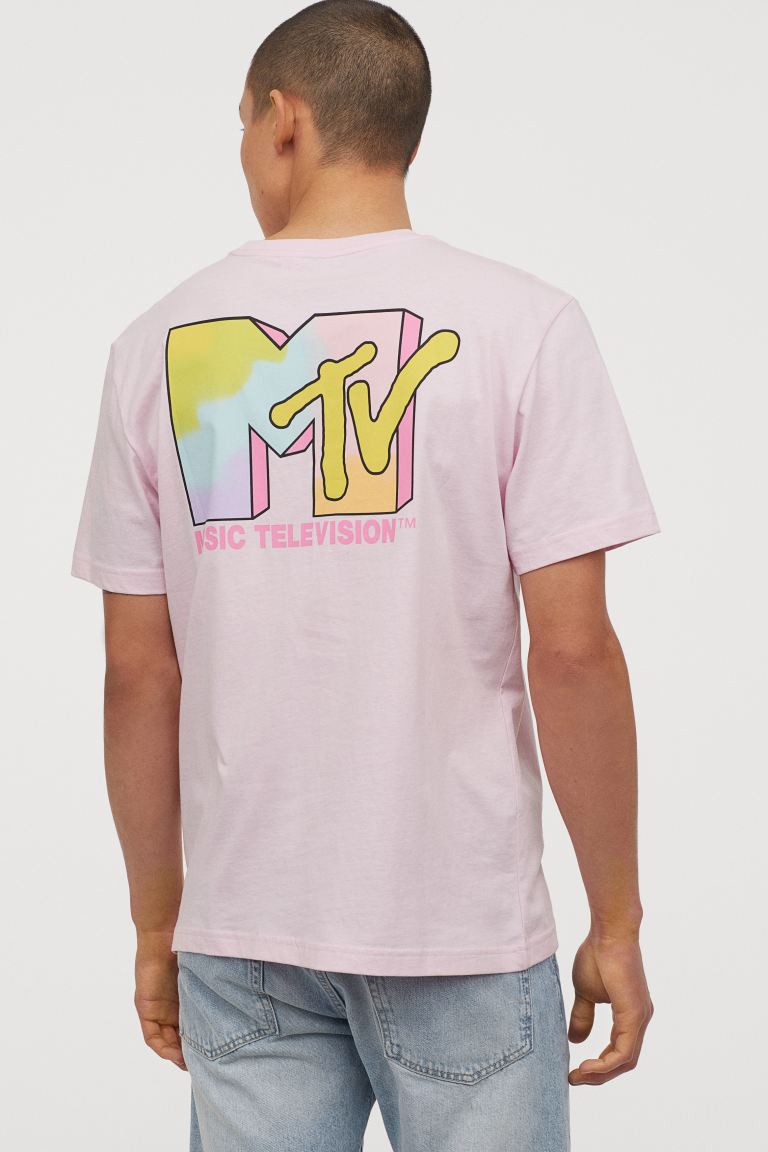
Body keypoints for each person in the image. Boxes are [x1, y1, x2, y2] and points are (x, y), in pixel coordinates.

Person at [71, 2, 659, 1148]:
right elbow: (574, 651)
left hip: (242, 927)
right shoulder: (525, 326)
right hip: (459, 922)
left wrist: (155, 923)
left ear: (283, 122)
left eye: (242, 125)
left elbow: (139, 672)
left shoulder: (155, 344)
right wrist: (617, 920)